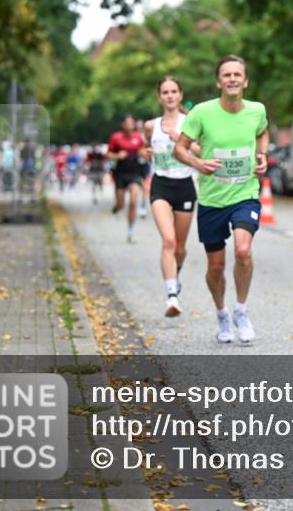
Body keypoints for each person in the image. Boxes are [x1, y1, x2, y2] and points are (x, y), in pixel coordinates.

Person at [174, 55, 269, 344]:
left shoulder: (256, 110)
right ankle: (221, 313)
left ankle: (241, 310)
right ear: (218, 81)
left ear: (245, 81)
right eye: (226, 75)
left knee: (242, 250)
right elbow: (180, 148)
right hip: (212, 198)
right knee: (215, 266)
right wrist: (198, 164)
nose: (232, 79)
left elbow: (263, 131)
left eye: (237, 74)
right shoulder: (201, 113)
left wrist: (262, 155)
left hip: (245, 193)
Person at [143, 76, 200, 317]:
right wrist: (146, 152)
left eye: (173, 91)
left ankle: (176, 273)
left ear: (180, 94)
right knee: (168, 241)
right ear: (159, 97)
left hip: (185, 185)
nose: (169, 96)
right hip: (161, 185)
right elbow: (148, 147)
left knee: (180, 247)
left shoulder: (191, 122)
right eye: (165, 92)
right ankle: (172, 296)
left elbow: (202, 150)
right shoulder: (150, 126)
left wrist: (182, 141)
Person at [107, 115, 148, 243]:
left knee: (133, 201)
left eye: (132, 122)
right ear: (123, 125)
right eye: (128, 123)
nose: (131, 124)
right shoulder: (116, 137)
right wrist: (117, 155)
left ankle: (130, 232)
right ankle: (117, 207)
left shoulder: (138, 137)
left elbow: (144, 151)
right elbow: (108, 154)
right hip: (120, 174)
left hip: (134, 174)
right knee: (120, 204)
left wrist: (143, 153)